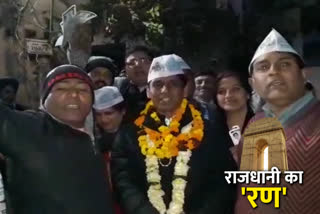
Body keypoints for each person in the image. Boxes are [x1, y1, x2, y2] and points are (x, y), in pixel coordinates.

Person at [112, 54, 236, 214]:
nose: (165, 90)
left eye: (173, 84)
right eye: (158, 84)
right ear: (149, 92)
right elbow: (124, 182)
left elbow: (223, 182)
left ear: (184, 90)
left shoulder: (210, 131)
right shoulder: (128, 134)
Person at [0, 65, 114, 214]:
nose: (73, 94)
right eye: (61, 89)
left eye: (83, 90)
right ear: (45, 99)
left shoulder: (96, 139)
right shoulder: (27, 127)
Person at [235, 29, 320, 214]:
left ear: (303, 74)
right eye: (264, 67)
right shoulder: (254, 125)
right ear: (253, 83)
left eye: (284, 65)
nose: (273, 72)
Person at [93, 86, 126, 214]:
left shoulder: (137, 138)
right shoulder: (95, 142)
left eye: (108, 113)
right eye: (99, 115)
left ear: (123, 111)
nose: (103, 120)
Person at [114, 45, 154, 123]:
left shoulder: (163, 90)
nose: (137, 65)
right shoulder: (119, 92)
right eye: (131, 62)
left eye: (143, 60)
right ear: (125, 69)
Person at [214, 71, 254, 148]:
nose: (228, 95)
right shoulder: (209, 129)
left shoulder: (263, 125)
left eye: (235, 89)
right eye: (221, 91)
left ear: (247, 94)